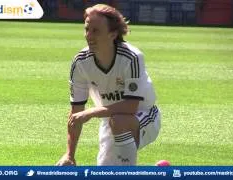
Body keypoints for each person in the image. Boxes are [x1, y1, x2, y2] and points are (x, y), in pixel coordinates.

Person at [56, 4, 161, 166]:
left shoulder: (132, 57)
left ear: (113, 34)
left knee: (119, 121)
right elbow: (76, 112)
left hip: (144, 114)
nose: (88, 35)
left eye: (95, 31)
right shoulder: (80, 63)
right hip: (109, 120)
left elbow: (131, 107)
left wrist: (91, 113)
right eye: (87, 29)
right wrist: (69, 155)